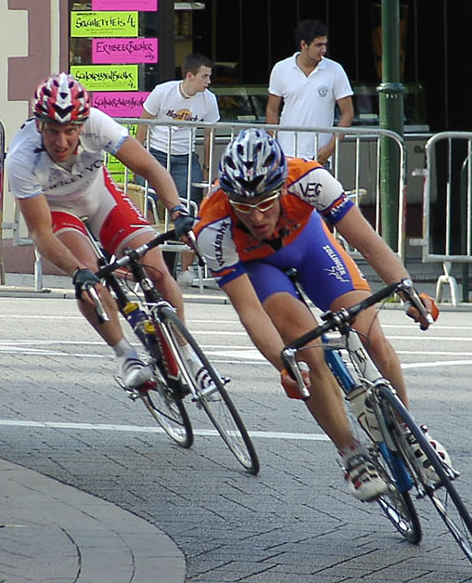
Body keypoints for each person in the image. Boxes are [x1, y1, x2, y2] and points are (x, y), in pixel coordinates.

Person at [193, 128, 452, 502]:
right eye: (244, 206)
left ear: (282, 187)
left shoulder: (309, 179)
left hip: (309, 245)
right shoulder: (212, 228)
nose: (257, 216)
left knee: (369, 331)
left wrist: (407, 290)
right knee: (307, 353)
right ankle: (351, 454)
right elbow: (250, 311)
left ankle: (409, 429)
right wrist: (283, 365)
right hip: (260, 269)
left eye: (266, 201)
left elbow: (367, 241)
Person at [5, 73, 195, 392]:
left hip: (99, 195)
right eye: (53, 131)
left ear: (82, 125)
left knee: (158, 271)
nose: (62, 141)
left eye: (69, 130)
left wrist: (176, 210)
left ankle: (188, 356)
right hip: (59, 210)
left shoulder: (98, 123)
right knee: (89, 278)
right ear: (39, 125)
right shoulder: (21, 159)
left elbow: (149, 168)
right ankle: (125, 355)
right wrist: (77, 272)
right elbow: (40, 232)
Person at [135, 53, 220, 287]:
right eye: (205, 76)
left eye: (209, 77)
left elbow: (208, 134)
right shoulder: (164, 91)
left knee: (189, 207)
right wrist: (137, 157)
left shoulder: (208, 99)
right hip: (156, 153)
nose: (208, 81)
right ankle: (150, 261)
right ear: (190, 76)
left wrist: (205, 166)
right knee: (146, 202)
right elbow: (143, 123)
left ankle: (185, 269)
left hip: (185, 157)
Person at [266, 19, 354, 165]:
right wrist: (274, 146)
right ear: (303, 45)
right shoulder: (281, 68)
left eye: (325, 44)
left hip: (318, 156)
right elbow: (272, 109)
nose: (323, 50)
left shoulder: (335, 70)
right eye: (318, 45)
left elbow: (348, 113)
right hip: (286, 154)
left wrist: (329, 149)